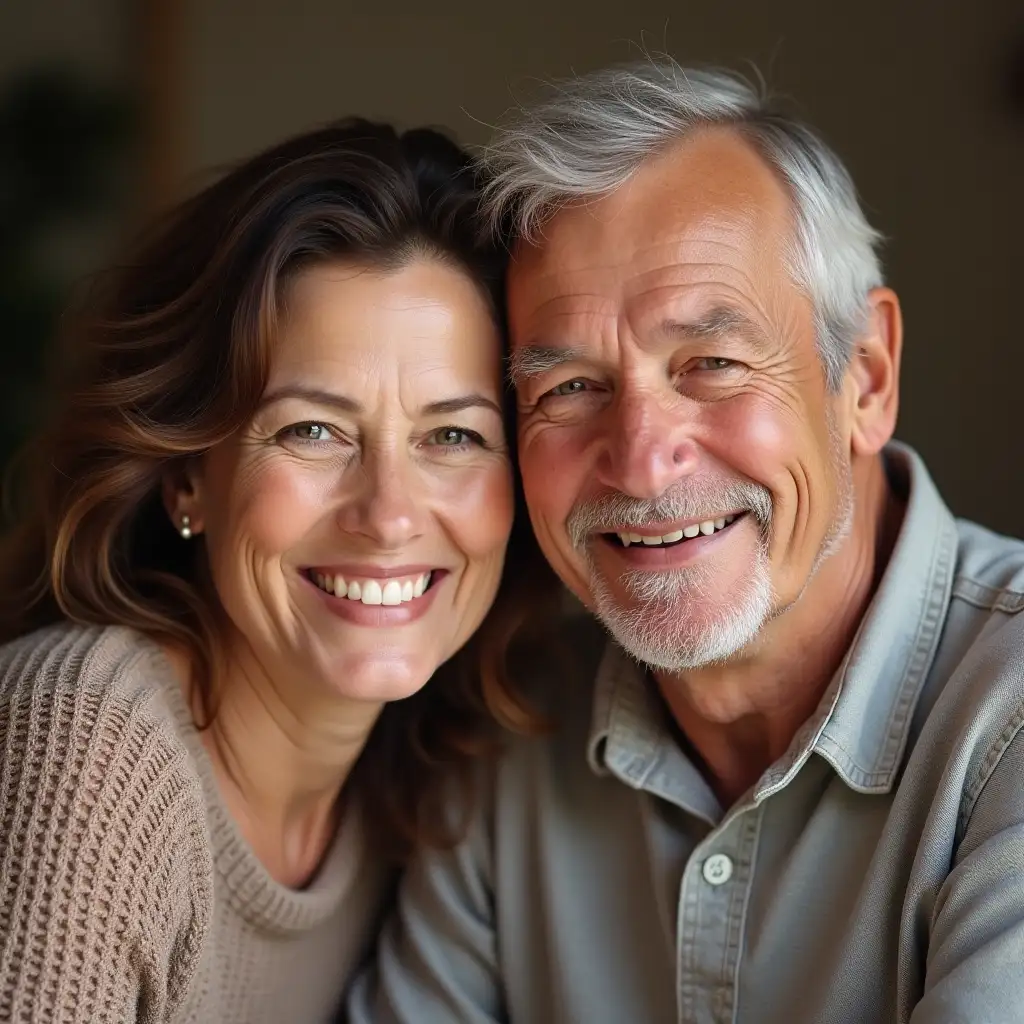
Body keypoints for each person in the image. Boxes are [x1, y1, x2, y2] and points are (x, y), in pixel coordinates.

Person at [348, 60, 1024, 1023]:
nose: (639, 460)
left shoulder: (1009, 721)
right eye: (569, 388)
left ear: (865, 380)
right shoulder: (511, 724)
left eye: (711, 363)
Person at [0, 118, 554, 1023]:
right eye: (312, 431)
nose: (389, 515)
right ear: (190, 476)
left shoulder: (425, 789)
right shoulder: (88, 751)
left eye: (452, 436)